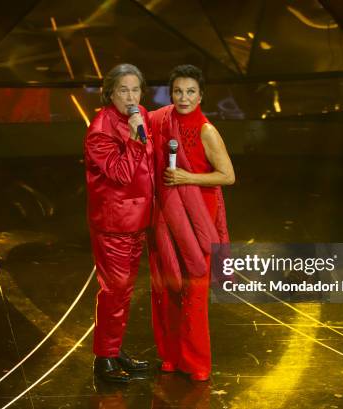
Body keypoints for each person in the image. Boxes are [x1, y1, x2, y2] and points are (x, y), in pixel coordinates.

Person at [148, 64, 234, 381]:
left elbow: (228, 175)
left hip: (199, 214)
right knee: (166, 287)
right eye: (178, 91)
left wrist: (187, 177)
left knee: (194, 292)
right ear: (171, 94)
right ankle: (171, 356)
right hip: (165, 212)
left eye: (190, 92)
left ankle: (197, 363)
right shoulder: (161, 120)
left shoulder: (206, 130)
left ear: (201, 96)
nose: (184, 98)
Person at [84, 63, 154, 383]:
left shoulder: (137, 116)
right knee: (113, 292)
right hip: (114, 223)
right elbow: (123, 174)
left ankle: (114, 350)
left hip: (138, 219)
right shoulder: (100, 130)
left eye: (135, 89)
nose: (130, 97)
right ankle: (104, 360)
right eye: (123, 90)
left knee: (124, 293)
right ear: (109, 92)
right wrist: (137, 138)